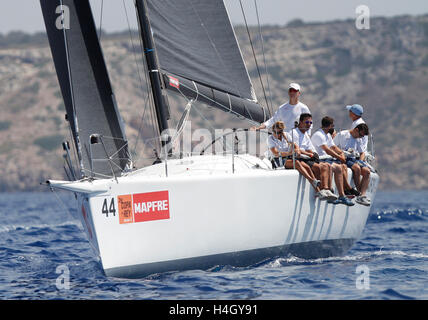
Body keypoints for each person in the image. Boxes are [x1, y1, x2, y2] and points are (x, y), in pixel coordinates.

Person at [311, 116, 358, 206]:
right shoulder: (319, 135)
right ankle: (341, 195)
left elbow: (333, 147)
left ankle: (345, 190)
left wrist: (341, 153)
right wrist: (339, 157)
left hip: (327, 158)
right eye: (332, 126)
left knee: (343, 166)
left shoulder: (327, 135)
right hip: (321, 159)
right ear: (329, 126)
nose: (333, 127)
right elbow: (327, 150)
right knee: (339, 168)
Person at [290, 113, 337, 201]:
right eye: (307, 122)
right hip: (299, 158)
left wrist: (311, 153)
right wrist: (309, 153)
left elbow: (311, 149)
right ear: (300, 122)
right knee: (319, 167)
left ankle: (326, 189)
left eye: (310, 123)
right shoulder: (294, 133)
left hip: (307, 158)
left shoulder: (306, 135)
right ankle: (320, 190)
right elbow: (297, 150)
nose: (309, 125)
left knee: (327, 166)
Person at [267, 121, 322, 193]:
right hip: (277, 160)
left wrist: (297, 150)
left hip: (288, 158)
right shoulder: (270, 139)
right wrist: (289, 153)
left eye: (280, 132)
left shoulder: (286, 135)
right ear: (273, 130)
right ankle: (312, 180)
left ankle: (318, 191)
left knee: (306, 166)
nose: (278, 135)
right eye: (276, 132)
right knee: (297, 163)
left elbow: (295, 145)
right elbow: (276, 153)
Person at [333, 123, 371, 206]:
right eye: (360, 135)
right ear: (356, 130)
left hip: (353, 159)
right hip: (343, 158)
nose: (361, 137)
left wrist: (360, 161)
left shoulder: (358, 139)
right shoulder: (342, 134)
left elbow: (362, 153)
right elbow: (332, 146)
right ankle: (359, 194)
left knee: (367, 171)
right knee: (356, 168)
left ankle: (362, 194)